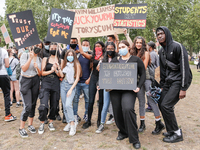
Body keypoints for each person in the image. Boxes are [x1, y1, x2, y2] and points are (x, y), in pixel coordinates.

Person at [156, 26, 192, 143]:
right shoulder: (161, 51)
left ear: (167, 33)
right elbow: (163, 70)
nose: (159, 36)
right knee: (161, 103)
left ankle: (177, 133)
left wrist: (183, 87)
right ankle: (171, 130)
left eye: (161, 33)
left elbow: (184, 68)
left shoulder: (178, 46)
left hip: (180, 79)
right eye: (158, 34)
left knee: (167, 105)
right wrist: (162, 86)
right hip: (169, 80)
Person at [110, 40, 146, 149]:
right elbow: (107, 75)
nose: (121, 49)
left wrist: (138, 86)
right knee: (116, 111)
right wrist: (100, 84)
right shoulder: (115, 61)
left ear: (129, 47)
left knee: (127, 109)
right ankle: (123, 131)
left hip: (129, 90)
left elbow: (143, 74)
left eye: (123, 47)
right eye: (119, 47)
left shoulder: (136, 60)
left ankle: (134, 138)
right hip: (115, 90)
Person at [132, 37, 165, 134]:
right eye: (136, 42)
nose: (138, 44)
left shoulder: (146, 53)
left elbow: (143, 67)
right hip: (137, 80)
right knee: (141, 102)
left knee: (151, 100)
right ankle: (142, 124)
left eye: (140, 43)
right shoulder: (132, 53)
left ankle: (159, 123)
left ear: (143, 44)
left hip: (146, 79)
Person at [38, 42, 62, 134]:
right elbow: (42, 73)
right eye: (51, 47)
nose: (53, 49)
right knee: (43, 104)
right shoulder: (45, 59)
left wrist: (57, 69)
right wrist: (51, 70)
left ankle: (51, 121)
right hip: (46, 82)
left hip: (55, 82)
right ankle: (42, 122)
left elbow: (61, 76)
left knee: (54, 103)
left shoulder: (60, 60)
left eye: (55, 48)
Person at [19, 46, 42, 138]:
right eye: (37, 46)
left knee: (33, 104)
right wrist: (31, 58)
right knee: (27, 105)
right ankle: (21, 128)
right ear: (32, 46)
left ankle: (30, 124)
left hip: (35, 80)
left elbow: (40, 74)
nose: (38, 48)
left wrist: (37, 68)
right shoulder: (25, 55)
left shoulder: (40, 59)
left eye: (40, 46)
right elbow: (24, 69)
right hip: (25, 80)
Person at [95, 42, 118, 133]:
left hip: (116, 85)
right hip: (107, 85)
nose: (110, 50)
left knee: (117, 105)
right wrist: (99, 83)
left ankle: (119, 123)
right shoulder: (103, 60)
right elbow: (99, 72)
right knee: (105, 105)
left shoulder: (118, 59)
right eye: (108, 49)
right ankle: (101, 124)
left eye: (112, 49)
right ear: (106, 49)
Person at [82, 41, 105, 129]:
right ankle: (88, 121)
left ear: (103, 47)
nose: (97, 48)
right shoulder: (93, 56)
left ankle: (99, 121)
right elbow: (82, 52)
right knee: (90, 100)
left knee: (101, 101)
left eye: (99, 46)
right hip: (94, 78)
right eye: (95, 46)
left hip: (103, 79)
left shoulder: (106, 56)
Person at [61, 49, 82, 136]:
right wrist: (57, 69)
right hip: (63, 85)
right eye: (68, 55)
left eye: (71, 55)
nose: (70, 56)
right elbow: (62, 75)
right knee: (64, 106)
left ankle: (73, 124)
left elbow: (77, 78)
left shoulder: (77, 65)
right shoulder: (65, 64)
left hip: (71, 86)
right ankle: (69, 122)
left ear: (74, 56)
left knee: (68, 104)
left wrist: (71, 89)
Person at [73, 36, 92, 123]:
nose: (84, 46)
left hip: (86, 82)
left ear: (89, 46)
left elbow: (92, 69)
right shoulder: (77, 55)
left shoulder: (91, 56)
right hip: (77, 82)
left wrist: (89, 78)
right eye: (83, 44)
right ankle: (75, 115)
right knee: (75, 99)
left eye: (86, 45)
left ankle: (86, 114)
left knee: (88, 99)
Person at [0, 46, 17, 122]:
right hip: (3, 74)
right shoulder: (3, 51)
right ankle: (7, 115)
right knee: (6, 94)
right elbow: (7, 64)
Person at [145, 41, 159, 112]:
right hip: (153, 74)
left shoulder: (152, 54)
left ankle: (150, 106)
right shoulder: (153, 53)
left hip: (152, 74)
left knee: (150, 90)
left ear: (150, 47)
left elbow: (150, 64)